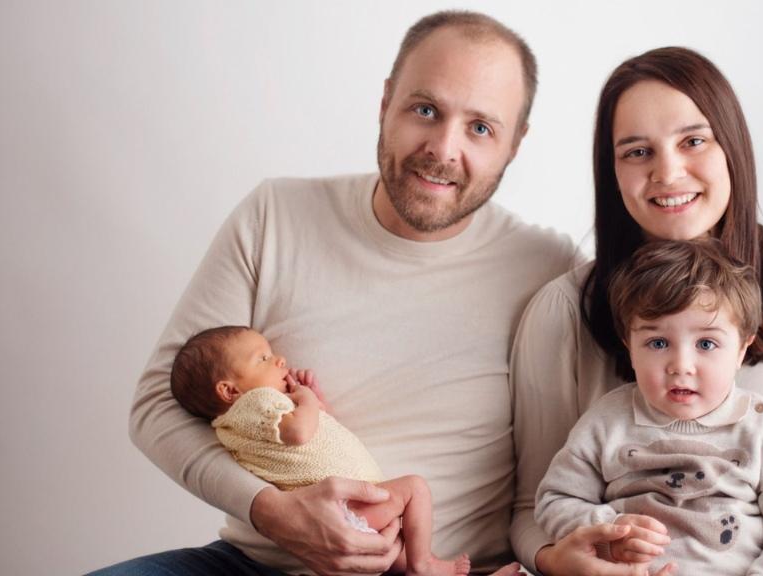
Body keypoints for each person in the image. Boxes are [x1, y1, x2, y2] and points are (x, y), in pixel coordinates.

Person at [95, 10, 576, 576]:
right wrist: (273, 512)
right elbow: (157, 405)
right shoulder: (274, 216)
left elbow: (554, 484)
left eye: (480, 128)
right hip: (253, 563)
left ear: (515, 145)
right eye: (425, 110)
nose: (443, 149)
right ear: (385, 102)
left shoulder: (551, 270)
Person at [511, 47, 763, 576]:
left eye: (693, 141)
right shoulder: (563, 311)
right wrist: (564, 559)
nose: (668, 172)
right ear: (611, 171)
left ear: (731, 147)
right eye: (637, 151)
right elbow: (534, 509)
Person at [534, 239, 763, 575]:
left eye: (706, 343)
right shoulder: (606, 420)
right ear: (630, 346)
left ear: (742, 349)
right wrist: (611, 527)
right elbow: (554, 501)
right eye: (658, 343)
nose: (681, 365)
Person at [170, 325, 471, 576]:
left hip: (337, 515)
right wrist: (307, 400)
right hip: (344, 508)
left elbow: (313, 438)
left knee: (395, 554)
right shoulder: (256, 402)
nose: (280, 360)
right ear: (229, 390)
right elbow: (300, 433)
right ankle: (424, 563)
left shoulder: (236, 424)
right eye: (262, 358)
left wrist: (314, 404)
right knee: (414, 488)